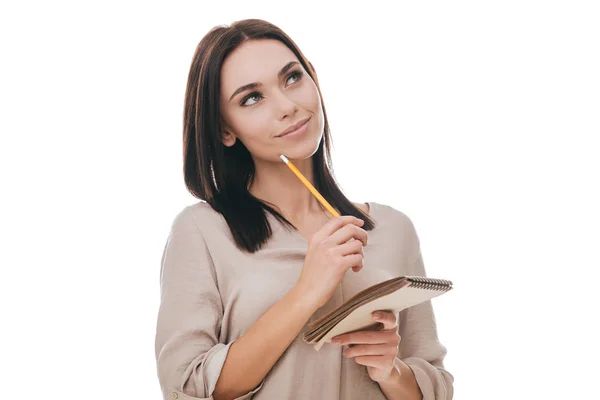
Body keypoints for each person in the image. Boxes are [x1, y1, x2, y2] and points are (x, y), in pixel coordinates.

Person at [155, 18, 453, 400]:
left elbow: (436, 388)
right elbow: (186, 387)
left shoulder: (392, 229)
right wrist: (306, 291)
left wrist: (390, 370)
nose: (287, 106)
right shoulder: (202, 232)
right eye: (252, 98)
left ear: (313, 76)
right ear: (224, 130)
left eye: (292, 78)